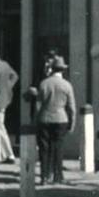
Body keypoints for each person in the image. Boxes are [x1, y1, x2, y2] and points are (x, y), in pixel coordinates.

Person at [36, 56, 75, 185]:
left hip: (45, 118)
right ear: (62, 70)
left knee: (44, 148)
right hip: (61, 118)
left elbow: (38, 105)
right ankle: (58, 176)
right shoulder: (67, 85)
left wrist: (36, 119)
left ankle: (44, 176)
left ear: (52, 69)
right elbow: (72, 107)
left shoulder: (44, 83)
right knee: (58, 147)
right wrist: (72, 124)